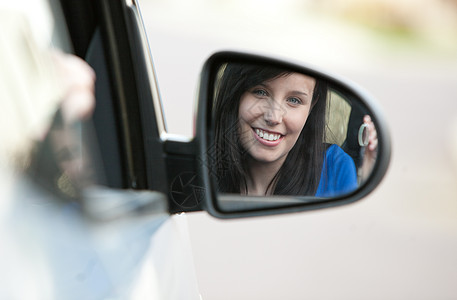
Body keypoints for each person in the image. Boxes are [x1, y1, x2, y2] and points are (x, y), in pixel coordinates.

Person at [212, 63, 375, 197]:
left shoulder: (334, 167)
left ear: (311, 106)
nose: (274, 117)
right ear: (234, 94)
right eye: (260, 92)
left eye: (294, 100)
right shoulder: (204, 170)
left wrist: (368, 176)